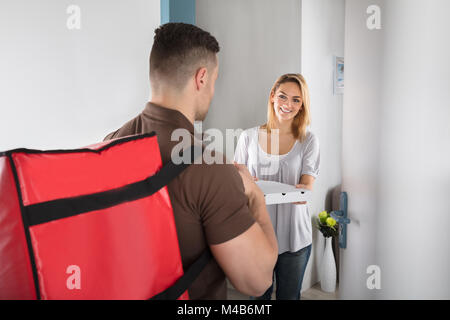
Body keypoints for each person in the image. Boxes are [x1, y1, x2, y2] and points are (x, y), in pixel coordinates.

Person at [103, 23, 278, 300]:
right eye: (215, 81)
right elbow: (257, 281)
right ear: (202, 78)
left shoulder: (110, 143)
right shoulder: (211, 169)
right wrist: (255, 196)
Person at [234, 73, 320, 300]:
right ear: (272, 97)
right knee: (258, 299)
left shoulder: (308, 141)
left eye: (296, 100)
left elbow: (306, 187)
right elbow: (237, 187)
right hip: (257, 236)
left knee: (289, 297)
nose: (288, 105)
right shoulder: (248, 138)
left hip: (295, 238)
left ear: (302, 106)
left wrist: (301, 192)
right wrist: (244, 185)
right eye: (283, 96)